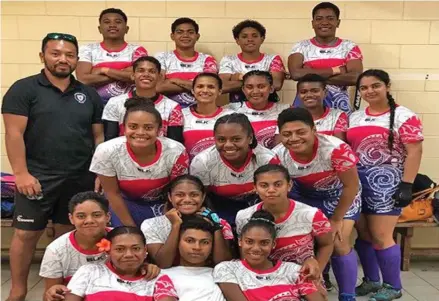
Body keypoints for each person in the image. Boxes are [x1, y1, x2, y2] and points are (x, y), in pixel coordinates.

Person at [2, 32, 104, 301]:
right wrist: (21, 173)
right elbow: (13, 134)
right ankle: (18, 291)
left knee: (67, 233)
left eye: (69, 55)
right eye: (56, 53)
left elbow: (97, 137)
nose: (63, 59)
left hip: (79, 177)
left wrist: (98, 172)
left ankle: (62, 289)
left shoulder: (89, 94)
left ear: (76, 59)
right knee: (25, 234)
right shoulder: (23, 89)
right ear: (42, 56)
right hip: (37, 177)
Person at [348, 70, 423, 301]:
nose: (370, 91)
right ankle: (371, 281)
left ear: (387, 86)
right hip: (358, 184)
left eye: (375, 85)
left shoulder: (404, 115)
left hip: (387, 185)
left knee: (381, 235)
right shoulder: (355, 117)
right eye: (364, 88)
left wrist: (406, 185)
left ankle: (393, 286)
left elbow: (415, 151)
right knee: (364, 235)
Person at [275, 107, 361, 301]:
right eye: (287, 134)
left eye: (301, 132)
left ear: (314, 130)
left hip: (341, 195)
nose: (294, 138)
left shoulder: (336, 149)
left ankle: (348, 295)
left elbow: (351, 185)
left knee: (338, 241)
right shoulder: (278, 155)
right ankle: (316, 280)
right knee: (307, 241)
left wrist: (337, 219)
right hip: (307, 196)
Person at [40, 191, 160, 301]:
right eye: (81, 216)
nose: (89, 220)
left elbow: (138, 262)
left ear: (108, 217)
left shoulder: (122, 239)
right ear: (71, 219)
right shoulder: (56, 250)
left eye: (97, 215)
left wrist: (148, 267)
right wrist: (53, 292)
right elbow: (50, 294)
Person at [89, 97, 189, 227]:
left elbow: (177, 192)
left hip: (163, 204)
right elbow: (112, 194)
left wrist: (165, 224)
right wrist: (131, 229)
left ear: (159, 130)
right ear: (124, 128)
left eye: (148, 127)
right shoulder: (106, 150)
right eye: (133, 126)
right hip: (123, 203)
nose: (140, 133)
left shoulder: (176, 151)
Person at [235, 164, 333, 283]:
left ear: (289, 185)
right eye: (264, 185)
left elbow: (326, 244)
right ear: (255, 188)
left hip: (301, 278)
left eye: (278, 184)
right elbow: (245, 251)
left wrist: (317, 270)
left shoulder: (311, 214)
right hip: (259, 279)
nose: (271, 190)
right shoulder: (243, 216)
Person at [214, 210, 325, 301]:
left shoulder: (294, 270)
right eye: (249, 241)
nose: (256, 248)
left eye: (264, 243)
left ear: (273, 244)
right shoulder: (227, 269)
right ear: (240, 242)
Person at [190, 113, 280, 224]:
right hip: (218, 208)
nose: (228, 145)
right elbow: (202, 198)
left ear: (250, 138)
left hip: (258, 206)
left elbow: (276, 194)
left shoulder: (267, 159)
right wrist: (217, 222)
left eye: (236, 139)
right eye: (221, 139)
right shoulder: (202, 162)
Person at [142, 174, 233, 268]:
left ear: (203, 197)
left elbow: (223, 264)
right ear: (170, 197)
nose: (187, 200)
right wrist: (175, 226)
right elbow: (162, 264)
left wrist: (216, 226)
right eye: (179, 195)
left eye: (194, 195)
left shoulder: (220, 223)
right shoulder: (152, 224)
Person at [65, 226, 178, 301]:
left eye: (136, 248)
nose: (128, 254)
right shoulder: (89, 271)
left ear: (145, 250)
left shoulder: (157, 278)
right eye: (120, 249)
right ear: (108, 251)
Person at [288, 2, 363, 114]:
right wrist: (336, 71)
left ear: (338, 22)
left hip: (339, 106)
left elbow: (355, 78)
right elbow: (296, 74)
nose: (324, 22)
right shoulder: (300, 47)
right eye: (319, 19)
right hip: (305, 105)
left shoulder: (349, 47)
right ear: (312, 23)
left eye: (330, 18)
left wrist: (310, 75)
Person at [103, 56, 183, 142]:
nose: (146, 74)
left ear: (159, 77)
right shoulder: (115, 103)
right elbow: (110, 141)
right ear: (133, 75)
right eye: (141, 71)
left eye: (152, 71)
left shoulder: (173, 107)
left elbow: (174, 144)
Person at [76, 8, 148, 105]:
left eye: (118, 22)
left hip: (131, 105)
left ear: (126, 29)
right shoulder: (87, 49)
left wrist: (103, 70)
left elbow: (139, 76)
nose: (112, 25)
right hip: (95, 105)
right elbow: (83, 79)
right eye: (107, 22)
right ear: (99, 29)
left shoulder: (138, 50)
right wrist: (124, 73)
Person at [155, 18, 218, 108]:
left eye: (190, 32)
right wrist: (195, 85)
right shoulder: (162, 57)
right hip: (167, 111)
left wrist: (176, 80)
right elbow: (158, 87)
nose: (185, 35)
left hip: (200, 111)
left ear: (197, 36)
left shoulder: (208, 60)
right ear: (172, 36)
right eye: (180, 32)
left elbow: (208, 86)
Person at [219, 20, 285, 103]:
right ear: (237, 40)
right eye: (244, 36)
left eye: (254, 36)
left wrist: (238, 78)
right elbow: (222, 87)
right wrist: (262, 83)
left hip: (268, 110)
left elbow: (276, 84)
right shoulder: (228, 60)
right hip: (237, 110)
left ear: (262, 39)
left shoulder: (273, 59)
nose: (250, 39)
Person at [163, 216, 227, 301]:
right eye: (190, 241)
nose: (197, 247)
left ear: (212, 246)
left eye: (205, 242)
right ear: (177, 242)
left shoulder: (223, 275)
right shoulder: (160, 275)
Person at [226, 71, 289, 149]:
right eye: (249, 87)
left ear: (271, 89)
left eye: (261, 86)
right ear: (243, 90)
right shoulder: (230, 110)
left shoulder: (286, 110)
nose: (255, 91)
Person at [181, 73, 233, 159]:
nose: (205, 90)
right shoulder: (181, 115)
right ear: (193, 91)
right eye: (200, 86)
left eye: (211, 87)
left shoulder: (231, 116)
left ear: (219, 91)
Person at [297, 73, 348, 141]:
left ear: (325, 93)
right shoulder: (290, 117)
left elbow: (339, 146)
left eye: (315, 91)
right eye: (303, 92)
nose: (309, 95)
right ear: (298, 95)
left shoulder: (337, 116)